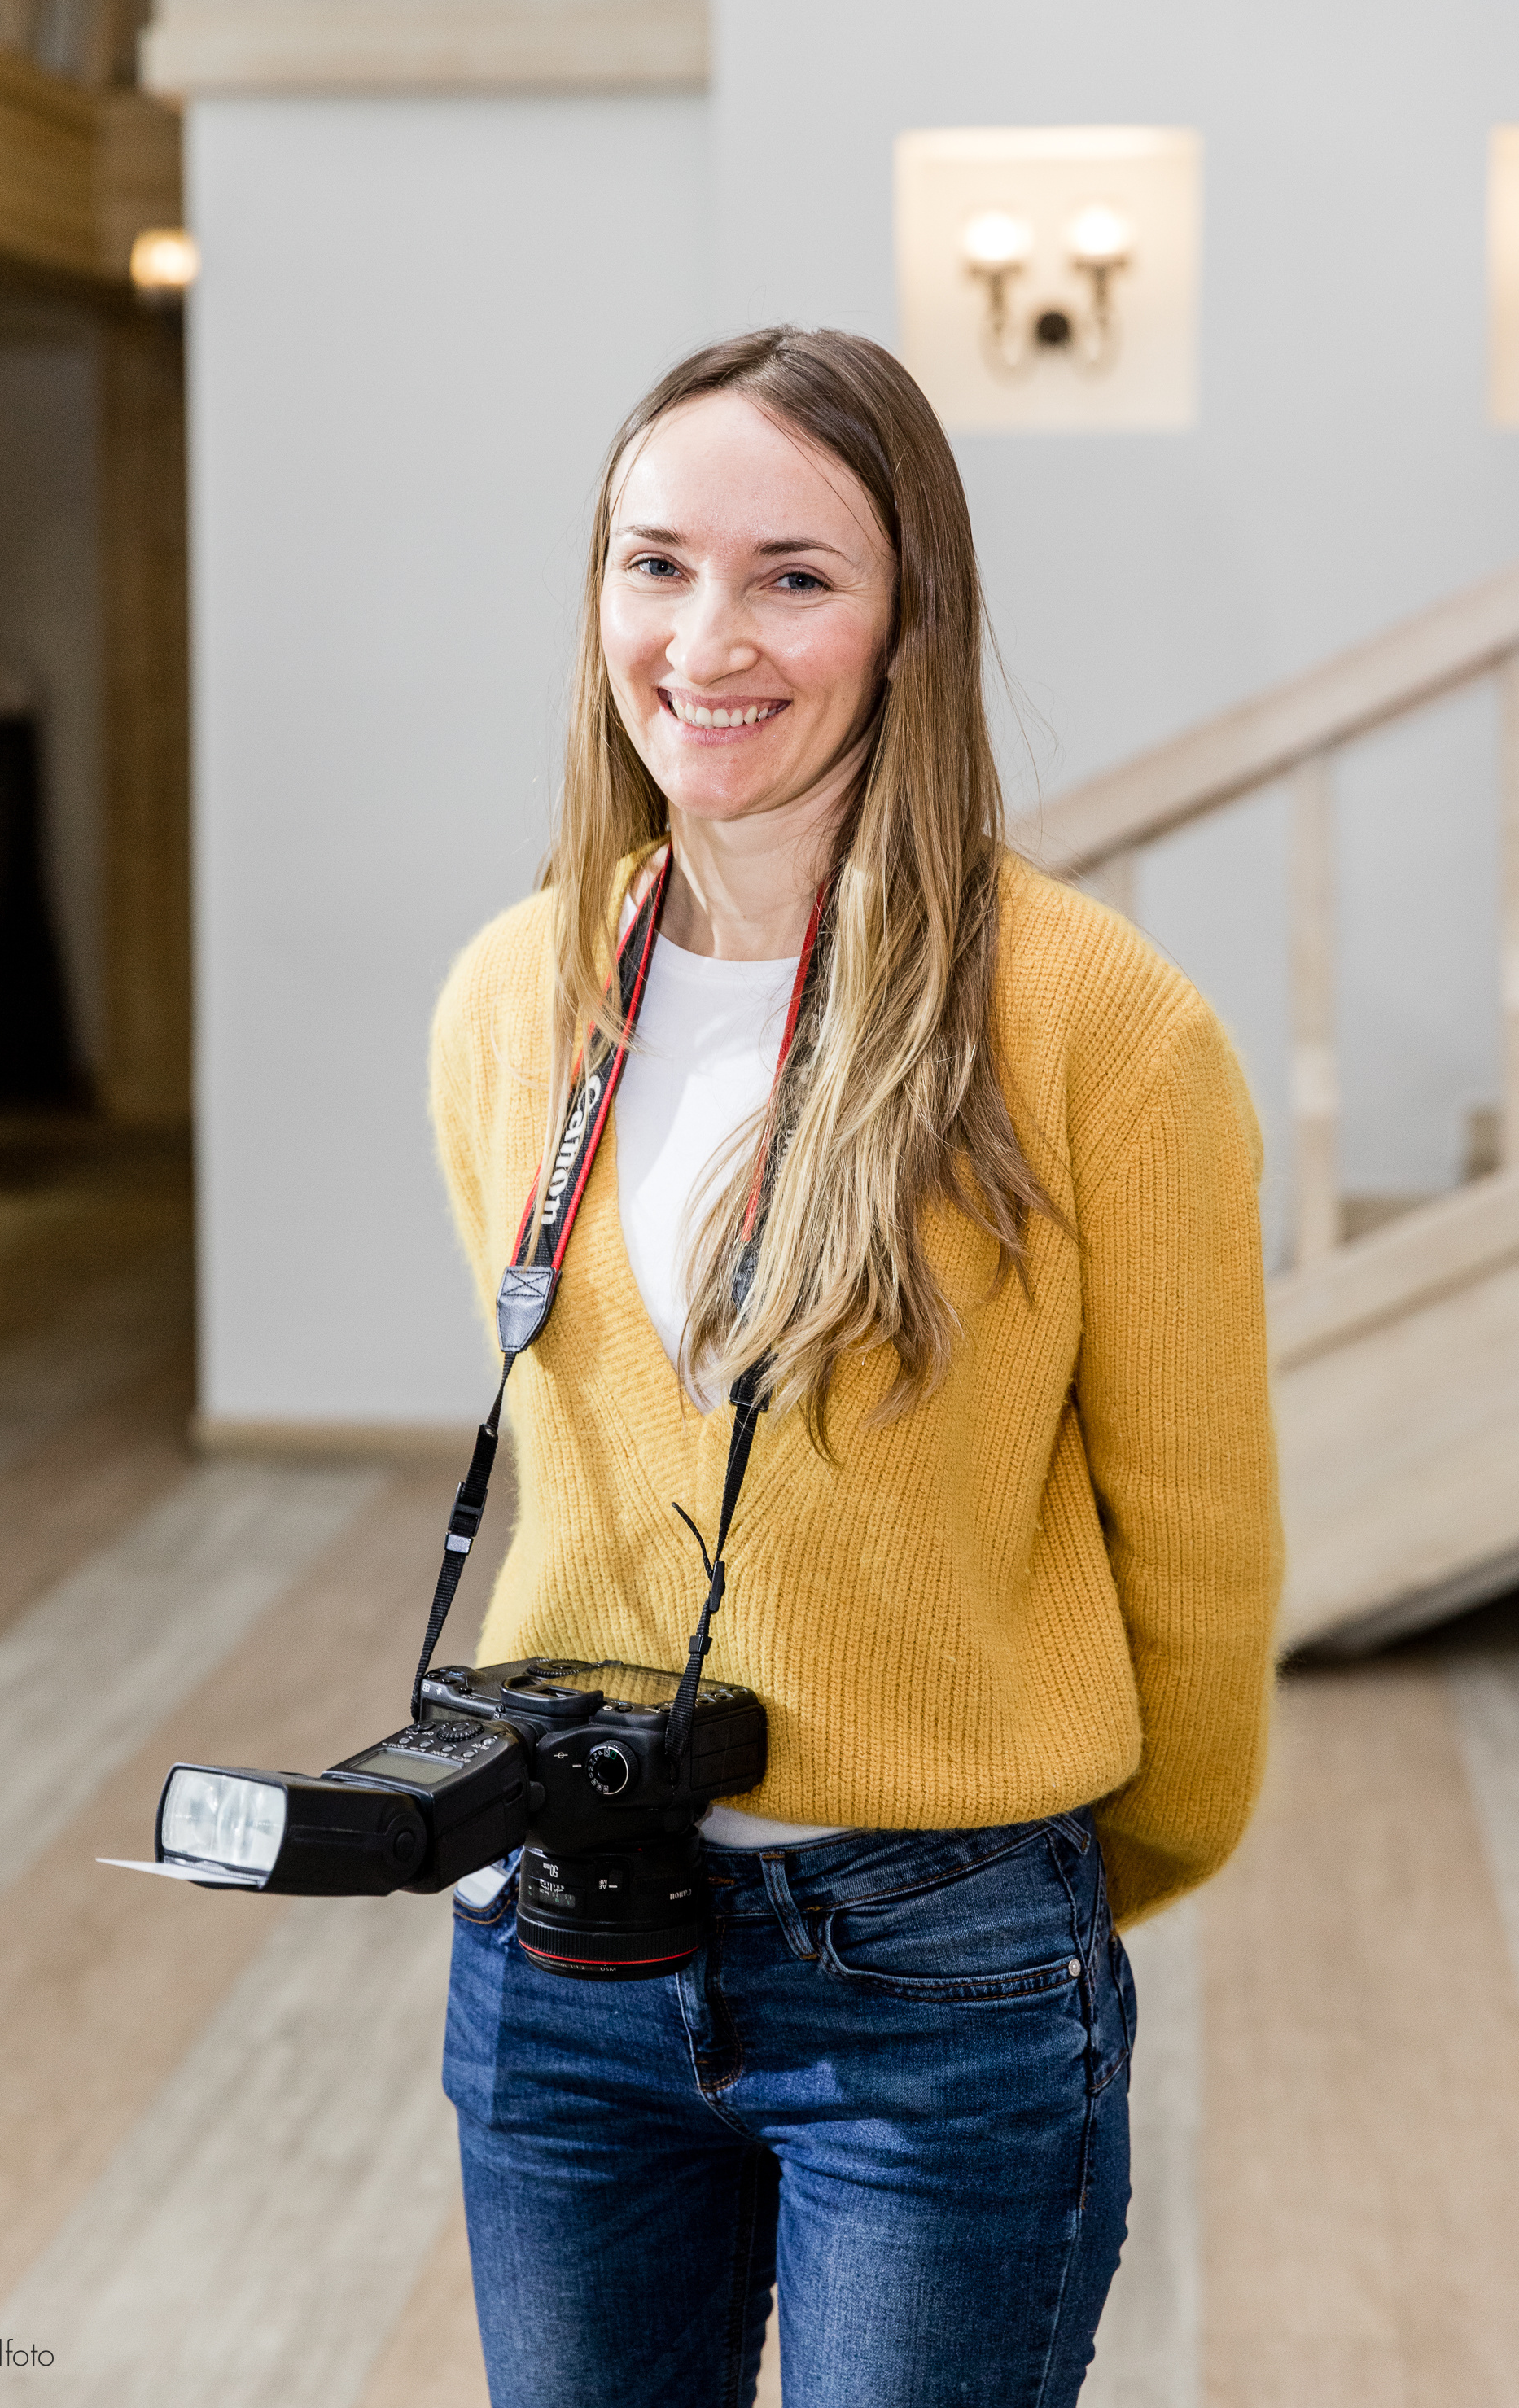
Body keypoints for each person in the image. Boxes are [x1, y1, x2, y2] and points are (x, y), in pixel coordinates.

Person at [429, 326, 1280, 2408]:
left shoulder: (1097, 1029)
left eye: (793, 576)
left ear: (909, 622)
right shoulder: (509, 997)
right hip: (564, 1955)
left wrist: (1030, 1880)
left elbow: (1199, 1554)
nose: (706, 637)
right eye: (655, 565)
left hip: (945, 1983)